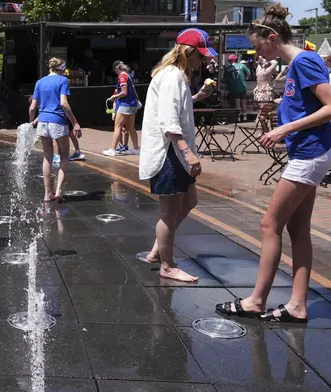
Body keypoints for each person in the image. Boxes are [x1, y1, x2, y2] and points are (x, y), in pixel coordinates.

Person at [216, 4, 331, 322]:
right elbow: (308, 104)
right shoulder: (297, 65)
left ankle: (256, 301)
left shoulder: (304, 62)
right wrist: (282, 106)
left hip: (308, 154)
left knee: (268, 225)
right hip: (310, 152)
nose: (258, 54)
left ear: (273, 37)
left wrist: (285, 127)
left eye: (259, 46)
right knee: (297, 228)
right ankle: (298, 305)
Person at [139, 28, 216, 283]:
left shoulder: (176, 76)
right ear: (187, 52)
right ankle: (167, 265)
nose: (202, 61)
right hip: (170, 153)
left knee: (189, 200)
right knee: (168, 212)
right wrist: (187, 153)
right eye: (200, 56)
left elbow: (174, 107)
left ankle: (157, 250)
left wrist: (196, 97)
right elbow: (169, 120)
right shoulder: (172, 76)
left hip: (176, 152)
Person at [29, 57, 82, 203]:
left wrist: (31, 123)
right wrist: (75, 123)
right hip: (58, 121)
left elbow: (33, 107)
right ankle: (58, 191)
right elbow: (64, 104)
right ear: (62, 69)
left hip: (43, 122)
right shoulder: (62, 81)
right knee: (64, 155)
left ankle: (47, 194)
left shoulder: (40, 82)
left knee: (47, 157)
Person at [104, 61, 140, 156]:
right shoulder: (128, 75)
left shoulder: (122, 77)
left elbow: (124, 92)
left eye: (115, 70)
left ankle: (112, 149)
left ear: (117, 69)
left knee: (117, 127)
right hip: (132, 105)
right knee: (131, 127)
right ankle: (136, 148)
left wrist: (114, 97)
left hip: (125, 104)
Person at [224, 54, 251, 121]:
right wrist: (245, 78)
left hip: (234, 88)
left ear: (229, 60)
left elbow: (225, 79)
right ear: (236, 59)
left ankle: (238, 117)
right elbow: (248, 72)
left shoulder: (227, 69)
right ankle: (245, 116)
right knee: (243, 102)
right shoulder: (242, 65)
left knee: (237, 103)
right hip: (243, 87)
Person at [254, 56, 279, 124]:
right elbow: (275, 62)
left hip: (258, 93)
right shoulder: (267, 71)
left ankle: (260, 130)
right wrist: (267, 60)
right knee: (264, 114)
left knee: (259, 113)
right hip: (266, 94)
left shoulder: (258, 70)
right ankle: (262, 130)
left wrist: (262, 60)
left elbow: (259, 62)